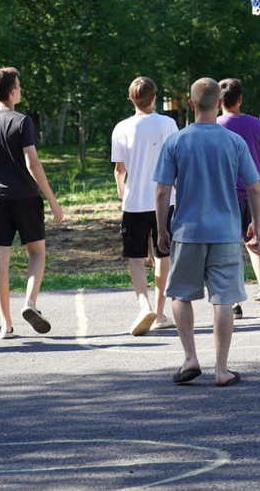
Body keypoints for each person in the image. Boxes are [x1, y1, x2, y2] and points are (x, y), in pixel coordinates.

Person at [155, 78, 260, 387]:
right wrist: (255, 222)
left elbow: (162, 191)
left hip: (187, 231)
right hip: (226, 231)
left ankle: (190, 358)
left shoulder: (177, 141)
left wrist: (162, 228)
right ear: (219, 103)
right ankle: (221, 368)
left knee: (179, 294)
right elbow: (255, 188)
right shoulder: (234, 142)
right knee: (224, 299)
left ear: (191, 104)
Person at [0, 67, 65, 338]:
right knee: (37, 252)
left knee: (0, 257)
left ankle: (5, 323)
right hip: (25, 196)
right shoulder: (21, 121)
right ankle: (30, 303)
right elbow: (32, 162)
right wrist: (52, 200)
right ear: (12, 91)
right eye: (19, 85)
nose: (21, 89)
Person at [111, 77, 179, 335]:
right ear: (154, 97)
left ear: (131, 99)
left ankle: (143, 305)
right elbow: (176, 160)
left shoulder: (121, 128)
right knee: (163, 255)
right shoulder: (168, 124)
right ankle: (160, 312)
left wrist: (121, 189)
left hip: (134, 201)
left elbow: (120, 168)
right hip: (165, 200)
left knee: (136, 257)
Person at [217, 78, 260, 317]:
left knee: (230, 247)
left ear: (219, 101)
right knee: (256, 243)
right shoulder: (256, 125)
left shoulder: (215, 126)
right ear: (240, 99)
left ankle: (234, 300)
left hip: (227, 193)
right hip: (256, 192)